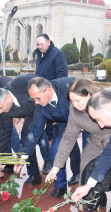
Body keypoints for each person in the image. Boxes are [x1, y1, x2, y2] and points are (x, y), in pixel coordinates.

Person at [45, 78, 111, 211]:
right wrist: (56, 167)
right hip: (97, 142)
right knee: (88, 165)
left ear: (89, 95)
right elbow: (68, 137)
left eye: (77, 100)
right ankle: (98, 196)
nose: (74, 105)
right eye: (71, 101)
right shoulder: (75, 110)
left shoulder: (108, 96)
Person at [13, 76, 81, 198]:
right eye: (33, 99)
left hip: (84, 118)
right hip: (62, 121)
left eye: (38, 98)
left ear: (48, 90)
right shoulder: (39, 104)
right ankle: (60, 186)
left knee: (89, 151)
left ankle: (85, 181)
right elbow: (35, 132)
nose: (36, 103)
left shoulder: (70, 89)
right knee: (57, 148)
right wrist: (23, 156)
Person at [34, 33, 82, 182]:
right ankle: (51, 162)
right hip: (45, 102)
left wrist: (55, 106)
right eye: (37, 44)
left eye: (41, 44)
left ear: (49, 42)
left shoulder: (58, 54)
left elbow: (62, 77)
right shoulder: (40, 55)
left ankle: (76, 170)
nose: (39, 47)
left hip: (56, 101)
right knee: (50, 136)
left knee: (66, 137)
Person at [0, 74, 41, 186]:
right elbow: (3, 134)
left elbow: (45, 95)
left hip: (41, 107)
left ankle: (50, 163)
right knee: (26, 140)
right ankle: (34, 175)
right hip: (29, 111)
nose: (0, 112)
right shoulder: (4, 109)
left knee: (37, 139)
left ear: (7, 98)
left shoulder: (26, 84)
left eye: (0, 108)